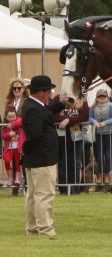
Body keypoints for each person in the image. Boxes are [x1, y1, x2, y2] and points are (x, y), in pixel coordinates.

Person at [21, 75, 65, 238]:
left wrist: (63, 102)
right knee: (44, 195)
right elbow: (34, 135)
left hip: (37, 158)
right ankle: (45, 229)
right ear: (40, 92)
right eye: (48, 91)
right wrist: (26, 148)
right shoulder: (33, 108)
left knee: (33, 195)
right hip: (42, 158)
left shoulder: (35, 105)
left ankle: (32, 228)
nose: (50, 94)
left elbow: (48, 111)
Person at [53, 94, 90, 191]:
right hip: (61, 138)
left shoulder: (80, 99)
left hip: (76, 138)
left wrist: (68, 121)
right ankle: (64, 189)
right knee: (62, 164)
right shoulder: (58, 98)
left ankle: (75, 189)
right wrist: (67, 121)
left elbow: (85, 115)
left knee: (76, 163)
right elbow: (53, 115)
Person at [89, 88, 112, 193]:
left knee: (109, 155)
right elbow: (90, 118)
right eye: (99, 97)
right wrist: (95, 122)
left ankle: (107, 174)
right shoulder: (93, 106)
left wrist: (104, 123)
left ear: (107, 97)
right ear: (97, 98)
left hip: (109, 133)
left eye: (103, 97)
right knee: (100, 155)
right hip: (99, 133)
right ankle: (100, 174)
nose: (101, 98)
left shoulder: (110, 105)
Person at [2, 107, 23, 186]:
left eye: (13, 117)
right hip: (8, 147)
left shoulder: (18, 122)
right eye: (9, 117)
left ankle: (17, 178)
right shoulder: (5, 125)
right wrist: (9, 134)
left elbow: (21, 120)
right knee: (7, 161)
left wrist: (14, 128)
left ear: (16, 116)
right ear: (6, 117)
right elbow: (3, 135)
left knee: (17, 163)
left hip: (17, 147)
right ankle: (10, 178)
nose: (11, 119)